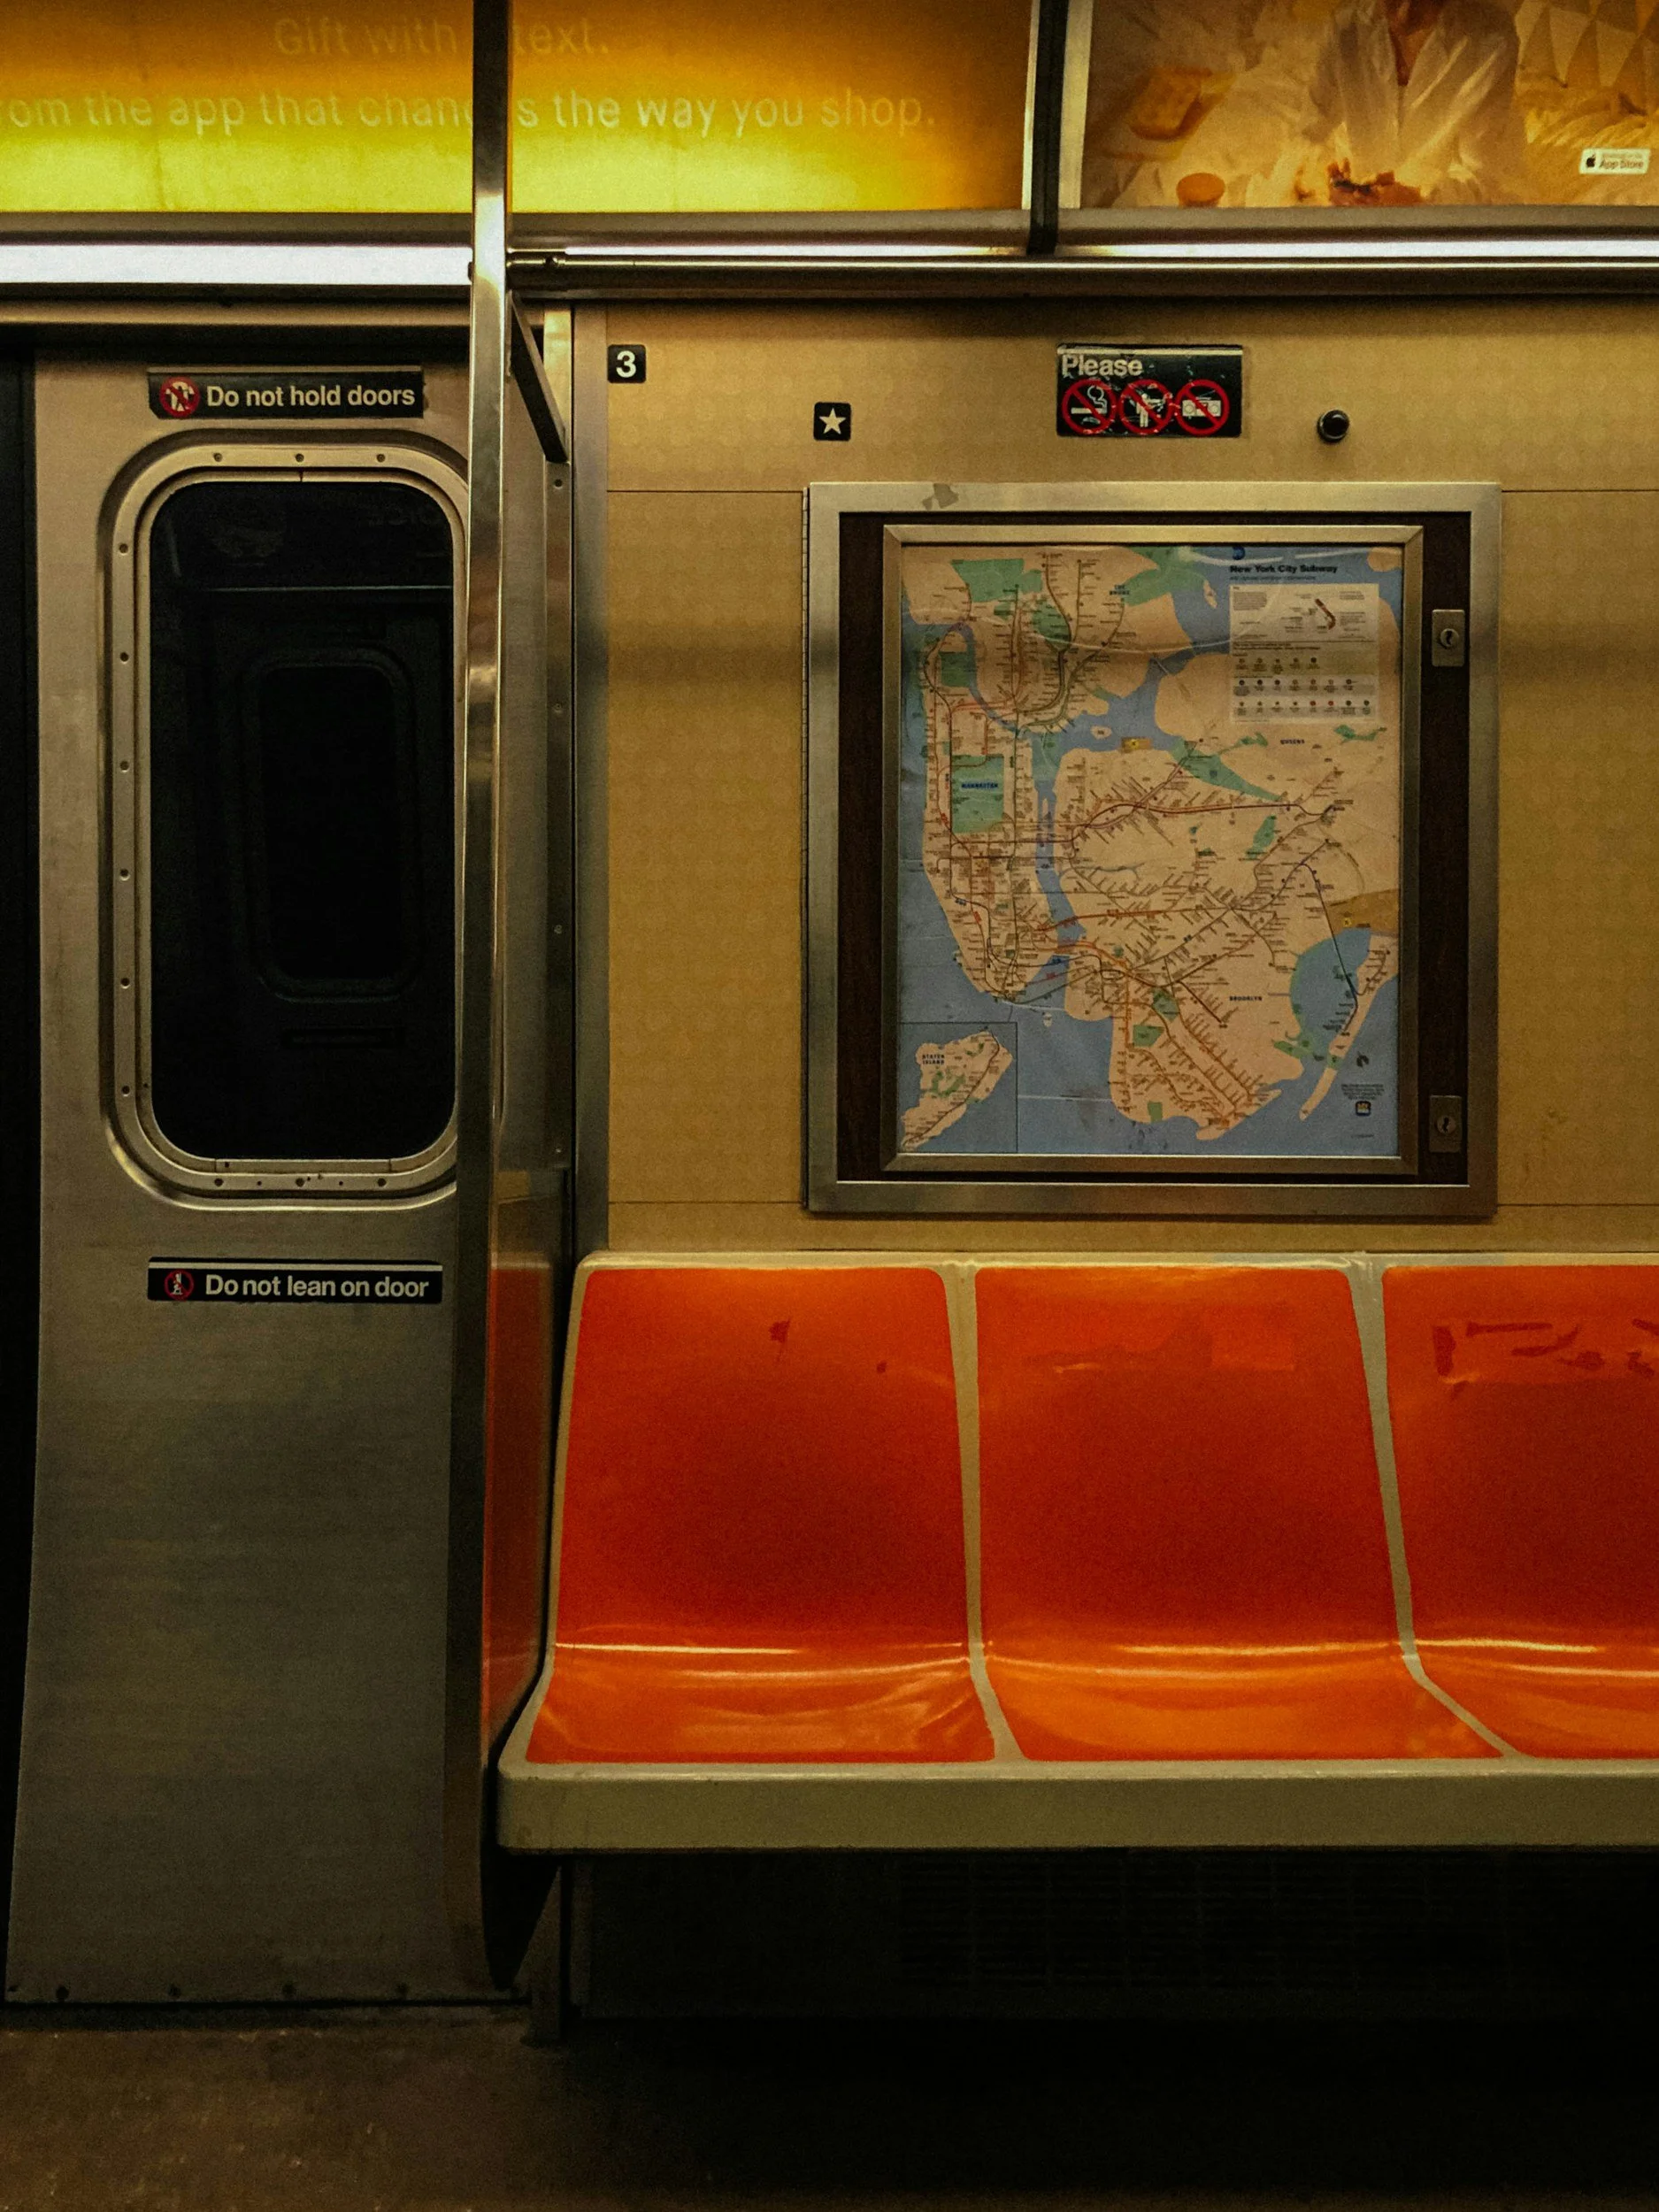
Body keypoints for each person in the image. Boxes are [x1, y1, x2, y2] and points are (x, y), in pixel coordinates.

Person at [1112, 0, 1526, 207]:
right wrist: (1317, 173)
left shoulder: (1490, 41)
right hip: (1361, 193)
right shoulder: (1348, 27)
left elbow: (1480, 177)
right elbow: (1313, 127)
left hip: (1444, 203)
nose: (1401, 15)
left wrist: (1418, 199)